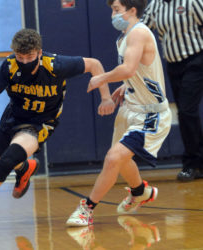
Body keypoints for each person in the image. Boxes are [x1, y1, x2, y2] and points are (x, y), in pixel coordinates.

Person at [0, 28, 115, 230]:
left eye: (30, 56)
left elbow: (95, 64)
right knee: (0, 161)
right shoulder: (9, 67)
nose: (25, 61)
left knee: (4, 164)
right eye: (20, 57)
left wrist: (106, 97)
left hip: (40, 123)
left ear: (39, 52)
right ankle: (25, 167)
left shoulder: (55, 65)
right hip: (14, 117)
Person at [67, 0, 172, 226]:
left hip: (150, 115)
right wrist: (128, 84)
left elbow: (128, 68)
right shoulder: (124, 36)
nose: (112, 15)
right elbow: (139, 69)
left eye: (116, 10)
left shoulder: (138, 33)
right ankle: (140, 192)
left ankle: (87, 208)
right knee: (121, 161)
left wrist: (101, 78)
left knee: (114, 157)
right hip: (130, 107)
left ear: (132, 10)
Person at [141, 0, 203, 182]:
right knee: (186, 113)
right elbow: (142, 29)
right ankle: (197, 161)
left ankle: (192, 164)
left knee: (186, 111)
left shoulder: (192, 2)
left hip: (196, 60)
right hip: (173, 65)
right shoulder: (155, 5)